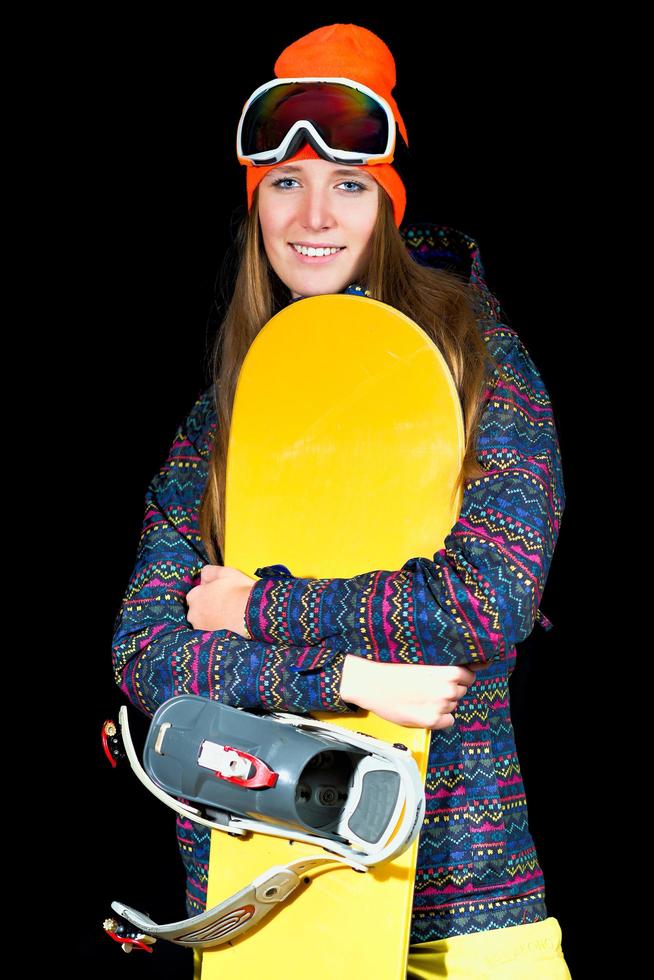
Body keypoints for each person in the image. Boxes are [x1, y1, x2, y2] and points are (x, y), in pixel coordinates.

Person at [111, 22, 571, 980]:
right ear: (256, 206)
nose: (311, 214)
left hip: (469, 909)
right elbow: (147, 657)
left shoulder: (477, 367)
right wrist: (356, 680)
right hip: (271, 916)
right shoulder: (216, 425)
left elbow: (486, 600)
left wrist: (250, 609)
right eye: (285, 184)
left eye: (348, 186)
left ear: (386, 206)